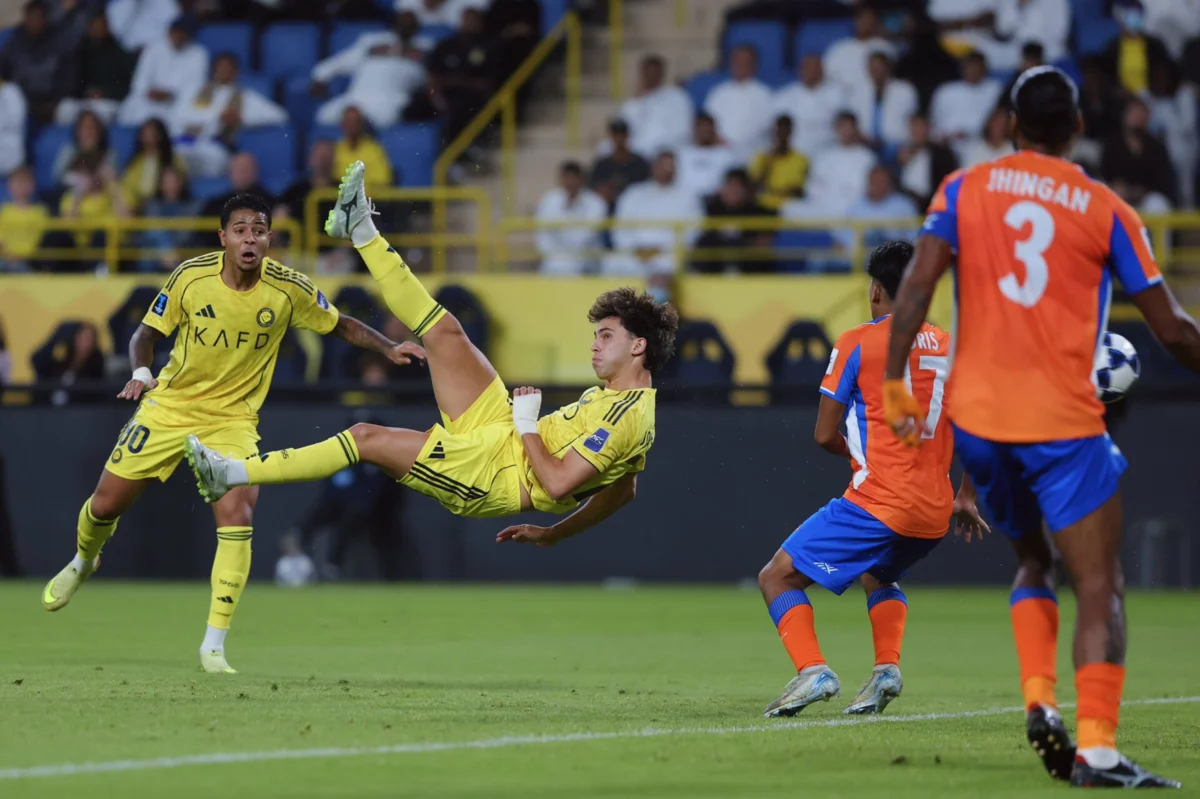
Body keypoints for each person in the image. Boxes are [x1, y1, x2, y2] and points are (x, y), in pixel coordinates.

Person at [883, 65, 1200, 787]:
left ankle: (1038, 701)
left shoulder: (963, 190)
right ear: (1079, 126)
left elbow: (917, 287)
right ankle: (1096, 748)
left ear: (1010, 124)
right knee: (1099, 583)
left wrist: (898, 384)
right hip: (1062, 423)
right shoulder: (1106, 208)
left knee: (1034, 563)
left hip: (980, 423)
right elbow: (1175, 331)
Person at [185, 161, 678, 548]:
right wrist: (555, 534)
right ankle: (361, 230)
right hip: (502, 430)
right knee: (444, 332)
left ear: (638, 346)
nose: (595, 343)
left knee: (366, 437)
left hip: (492, 475)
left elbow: (554, 483)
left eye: (607, 336)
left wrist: (528, 422)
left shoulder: (628, 418)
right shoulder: (626, 407)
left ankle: (230, 471)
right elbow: (624, 489)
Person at [39, 193, 425, 675]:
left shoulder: (288, 288)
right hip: (170, 404)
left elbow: (338, 324)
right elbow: (145, 332)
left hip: (233, 420)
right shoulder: (190, 276)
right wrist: (141, 371)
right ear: (223, 237)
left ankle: (214, 645)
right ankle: (82, 561)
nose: (250, 238)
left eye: (259, 229)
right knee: (105, 504)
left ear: (269, 238)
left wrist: (388, 349)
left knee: (239, 511)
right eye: (240, 229)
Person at [758, 240, 985, 719]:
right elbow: (981, 434)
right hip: (935, 511)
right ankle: (886, 669)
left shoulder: (857, 341)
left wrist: (854, 456)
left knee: (777, 576)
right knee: (881, 573)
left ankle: (813, 670)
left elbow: (824, 434)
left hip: (881, 500)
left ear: (876, 288)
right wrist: (965, 495)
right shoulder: (948, 347)